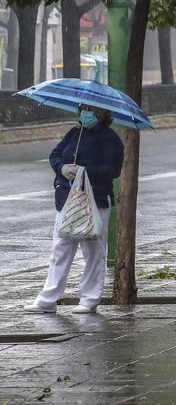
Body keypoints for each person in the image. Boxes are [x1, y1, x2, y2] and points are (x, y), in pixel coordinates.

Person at [25, 104, 124, 314]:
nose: (86, 113)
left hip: (95, 201)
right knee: (60, 249)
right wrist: (62, 167)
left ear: (103, 113)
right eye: (83, 109)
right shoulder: (73, 134)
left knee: (93, 250)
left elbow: (113, 170)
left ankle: (89, 299)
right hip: (67, 200)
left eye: (92, 109)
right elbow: (55, 155)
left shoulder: (110, 138)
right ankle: (47, 299)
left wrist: (85, 172)